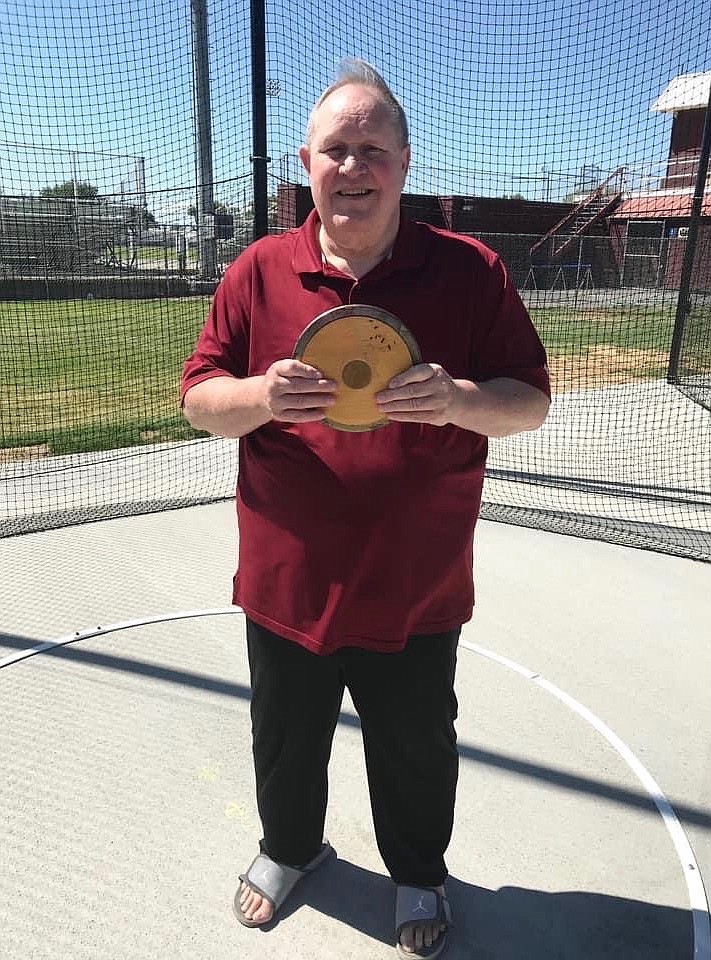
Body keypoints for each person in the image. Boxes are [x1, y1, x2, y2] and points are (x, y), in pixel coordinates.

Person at [181, 57, 550, 959]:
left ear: (404, 163)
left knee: (416, 743)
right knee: (286, 736)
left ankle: (417, 873)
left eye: (372, 149)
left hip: (416, 586)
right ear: (306, 163)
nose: (353, 167)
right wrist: (263, 394)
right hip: (287, 581)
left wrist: (460, 398)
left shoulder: (469, 270)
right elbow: (197, 400)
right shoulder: (259, 270)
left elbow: (529, 400)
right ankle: (288, 851)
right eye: (336, 149)